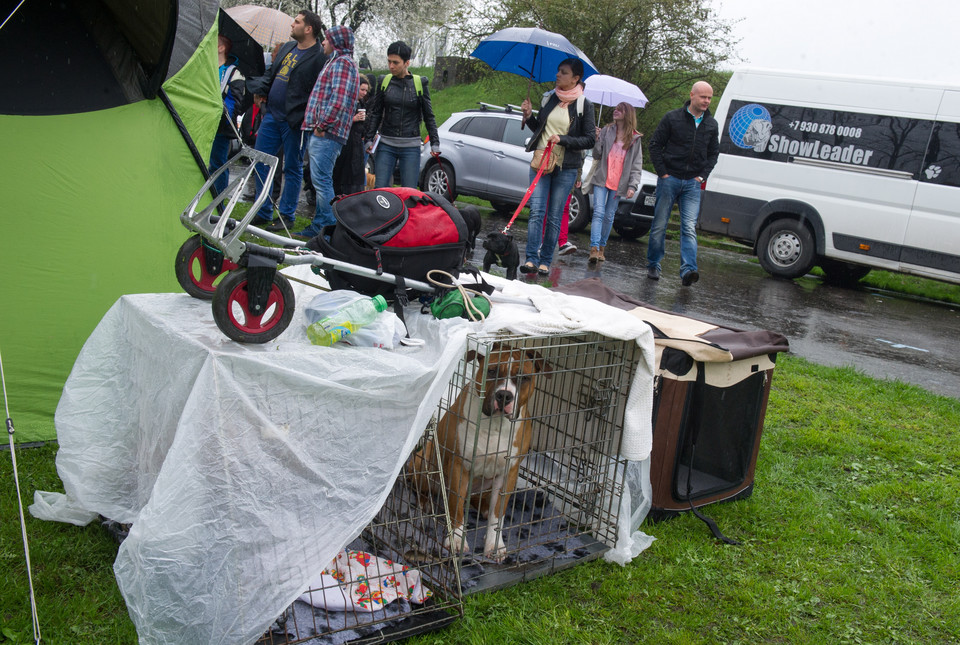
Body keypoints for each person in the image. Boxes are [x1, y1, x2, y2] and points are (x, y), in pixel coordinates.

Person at [245, 11, 326, 233]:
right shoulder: (289, 48)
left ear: (308, 29)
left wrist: (308, 117)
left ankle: (287, 216)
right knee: (261, 161)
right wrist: (261, 89)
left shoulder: (319, 56)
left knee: (292, 167)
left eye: (297, 22)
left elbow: (318, 91)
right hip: (271, 115)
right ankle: (262, 212)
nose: (292, 24)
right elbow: (272, 72)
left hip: (294, 121)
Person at [518, 58, 596, 275]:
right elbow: (539, 129)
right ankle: (531, 259)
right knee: (536, 211)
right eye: (558, 71)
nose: (558, 75)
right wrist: (528, 116)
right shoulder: (548, 98)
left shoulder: (583, 105)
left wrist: (563, 139)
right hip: (541, 163)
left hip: (567, 167)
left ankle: (545, 261)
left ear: (576, 78)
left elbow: (590, 139)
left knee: (554, 215)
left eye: (563, 72)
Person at [646, 81, 720, 285]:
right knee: (660, 224)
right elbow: (655, 145)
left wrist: (702, 177)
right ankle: (653, 263)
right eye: (703, 97)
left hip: (692, 183)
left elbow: (714, 154)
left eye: (709, 98)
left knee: (688, 227)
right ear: (692, 95)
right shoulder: (672, 118)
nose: (706, 101)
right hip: (670, 179)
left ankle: (689, 270)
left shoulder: (711, 124)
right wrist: (663, 173)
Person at [296, 25, 361, 239]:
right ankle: (322, 226)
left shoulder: (342, 63)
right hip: (325, 131)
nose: (322, 42)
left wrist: (322, 125)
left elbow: (339, 100)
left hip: (327, 133)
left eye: (326, 39)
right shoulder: (336, 62)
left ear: (336, 43)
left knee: (322, 181)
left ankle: (327, 228)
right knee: (321, 180)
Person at [364, 41, 440, 188]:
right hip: (386, 143)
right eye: (389, 61)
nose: (391, 66)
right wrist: (369, 138)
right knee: (381, 190)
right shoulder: (384, 81)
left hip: (410, 145)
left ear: (406, 63)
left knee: (409, 192)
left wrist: (435, 143)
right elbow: (376, 112)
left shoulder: (420, 83)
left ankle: (405, 212)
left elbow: (428, 115)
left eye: (395, 63)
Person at [586, 102, 645, 264]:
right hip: (602, 178)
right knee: (598, 212)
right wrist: (597, 139)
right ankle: (594, 248)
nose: (615, 111)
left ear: (627, 114)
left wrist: (633, 185)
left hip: (619, 183)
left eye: (620, 110)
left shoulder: (635, 138)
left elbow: (636, 164)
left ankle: (602, 248)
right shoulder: (606, 130)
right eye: (615, 109)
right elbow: (597, 155)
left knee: (609, 216)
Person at [208, 35, 247, 196]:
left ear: (221, 48)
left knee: (217, 164)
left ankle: (218, 202)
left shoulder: (234, 73)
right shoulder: (207, 68)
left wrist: (223, 109)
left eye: (214, 43)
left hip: (221, 126)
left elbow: (236, 102)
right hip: (202, 123)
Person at [332, 74, 370, 196]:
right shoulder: (347, 102)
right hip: (346, 144)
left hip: (357, 144)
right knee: (343, 173)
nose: (364, 93)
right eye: (362, 90)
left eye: (366, 90)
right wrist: (353, 119)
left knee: (356, 174)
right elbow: (338, 121)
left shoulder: (362, 104)